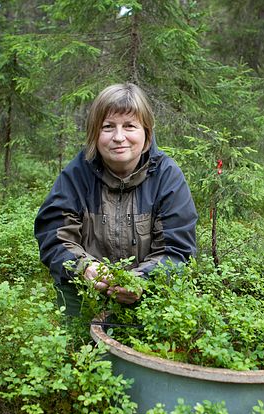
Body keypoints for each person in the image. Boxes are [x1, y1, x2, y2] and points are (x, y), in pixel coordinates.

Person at [34, 83, 198, 316]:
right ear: (95, 134)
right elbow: (53, 238)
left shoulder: (167, 177)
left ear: (147, 133)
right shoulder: (77, 175)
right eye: (108, 127)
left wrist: (142, 280)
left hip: (149, 300)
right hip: (83, 296)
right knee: (78, 350)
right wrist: (85, 268)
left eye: (129, 126)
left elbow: (178, 251)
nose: (119, 137)